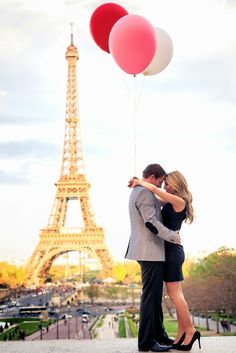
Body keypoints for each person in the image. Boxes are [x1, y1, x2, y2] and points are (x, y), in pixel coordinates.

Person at [130, 170, 201, 351]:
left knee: (175, 294)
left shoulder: (179, 201)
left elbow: (154, 189)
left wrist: (139, 182)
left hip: (172, 251)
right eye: (165, 183)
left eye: (168, 183)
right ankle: (180, 336)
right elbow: (154, 199)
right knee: (176, 294)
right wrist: (139, 184)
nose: (165, 186)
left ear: (176, 184)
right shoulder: (171, 200)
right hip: (168, 250)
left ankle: (191, 330)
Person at [125, 164, 181, 352]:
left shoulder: (142, 191)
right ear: (152, 177)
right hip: (149, 252)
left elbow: (162, 201)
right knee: (150, 298)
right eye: (160, 181)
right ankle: (147, 341)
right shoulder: (143, 193)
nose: (162, 184)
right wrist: (174, 236)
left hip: (150, 251)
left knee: (155, 297)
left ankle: (159, 335)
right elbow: (151, 222)